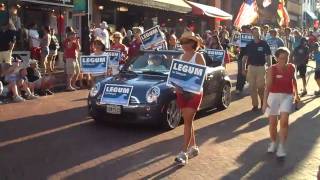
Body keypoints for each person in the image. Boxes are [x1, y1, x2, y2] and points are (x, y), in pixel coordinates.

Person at [174, 31, 206, 166]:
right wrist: (176, 86)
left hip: (193, 93)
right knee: (188, 121)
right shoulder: (181, 57)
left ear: (193, 43)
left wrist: (189, 88)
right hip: (181, 93)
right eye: (182, 42)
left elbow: (201, 77)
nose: (184, 45)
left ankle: (183, 153)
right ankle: (194, 147)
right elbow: (177, 76)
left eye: (187, 42)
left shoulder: (198, 56)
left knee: (187, 122)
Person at [263, 47, 299, 158]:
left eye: (287, 57)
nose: (285, 60)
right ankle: (273, 142)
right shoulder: (271, 69)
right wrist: (264, 102)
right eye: (282, 58)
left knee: (284, 122)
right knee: (273, 124)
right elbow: (267, 87)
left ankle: (281, 147)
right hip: (273, 97)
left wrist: (297, 94)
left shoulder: (291, 67)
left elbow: (294, 80)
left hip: (287, 96)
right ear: (277, 58)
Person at [242, 26, 272, 111]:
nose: (256, 34)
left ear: (260, 33)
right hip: (251, 68)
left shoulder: (264, 43)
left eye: (257, 32)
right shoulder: (249, 44)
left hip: (261, 68)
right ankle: (255, 105)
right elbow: (244, 57)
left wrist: (270, 67)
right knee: (252, 87)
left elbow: (268, 56)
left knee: (261, 86)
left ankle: (263, 100)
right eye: (254, 32)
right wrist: (243, 68)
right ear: (252, 34)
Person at [235, 25, 251, 94]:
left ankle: (251, 87)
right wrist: (237, 46)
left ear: (249, 30)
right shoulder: (241, 37)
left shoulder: (253, 37)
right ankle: (239, 88)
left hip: (251, 57)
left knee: (250, 72)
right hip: (241, 57)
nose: (243, 31)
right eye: (242, 30)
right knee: (240, 72)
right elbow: (237, 45)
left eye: (245, 30)